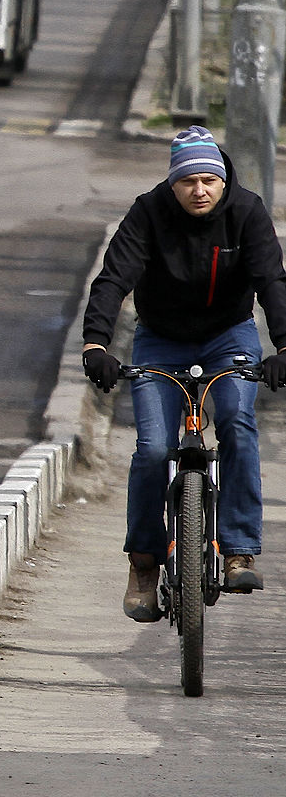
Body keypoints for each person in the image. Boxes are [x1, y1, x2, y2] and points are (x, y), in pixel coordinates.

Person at [82, 126, 286, 621]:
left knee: (237, 422)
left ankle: (238, 549)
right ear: (172, 185)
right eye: (188, 181)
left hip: (229, 335)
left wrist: (283, 345)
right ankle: (145, 565)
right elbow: (114, 279)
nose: (200, 190)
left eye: (208, 181)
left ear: (222, 181)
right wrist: (96, 344)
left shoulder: (247, 212)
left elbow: (272, 280)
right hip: (161, 338)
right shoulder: (148, 213)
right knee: (152, 448)